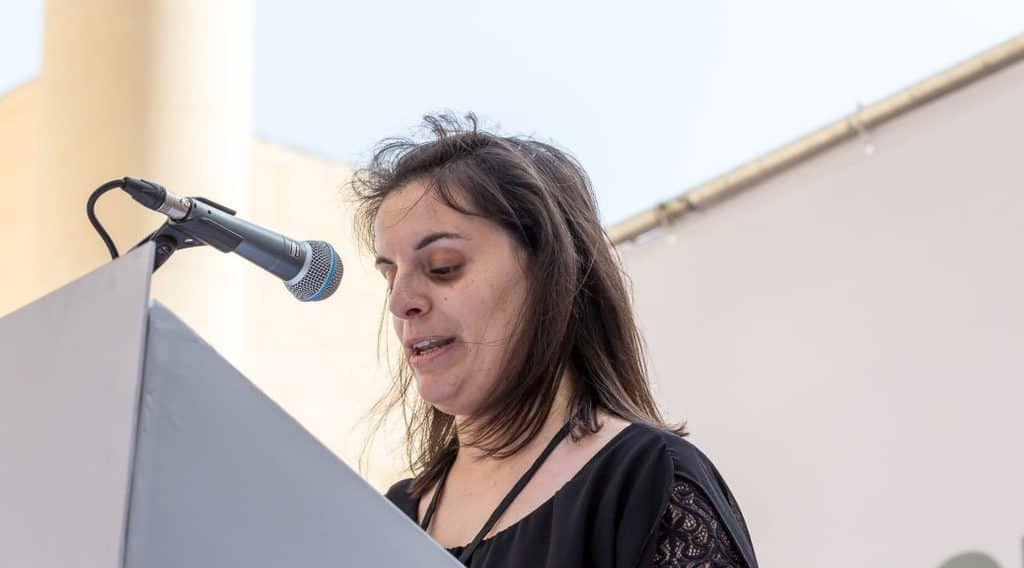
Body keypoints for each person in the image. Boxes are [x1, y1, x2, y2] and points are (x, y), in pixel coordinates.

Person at [350, 114, 758, 567]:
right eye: (390, 276)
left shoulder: (647, 480)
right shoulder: (390, 518)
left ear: (551, 275)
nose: (400, 302)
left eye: (443, 267)